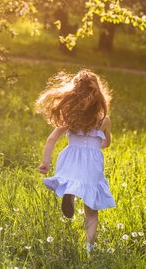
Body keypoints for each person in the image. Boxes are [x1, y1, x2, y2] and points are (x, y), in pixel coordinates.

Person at [36, 69, 115, 254]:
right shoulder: (104, 121)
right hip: (92, 164)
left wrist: (45, 162)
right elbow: (107, 143)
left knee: (71, 181)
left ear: (73, 95)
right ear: (99, 97)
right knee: (91, 210)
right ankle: (89, 249)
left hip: (71, 159)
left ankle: (69, 194)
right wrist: (94, 146)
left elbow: (51, 139)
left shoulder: (71, 118)